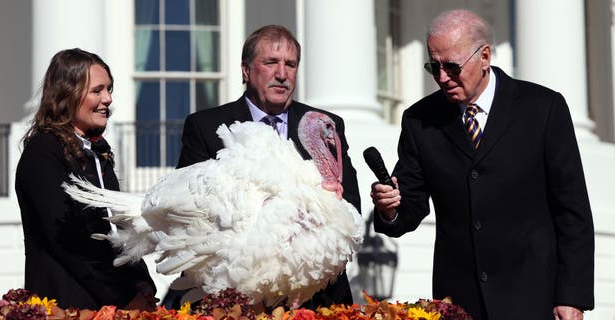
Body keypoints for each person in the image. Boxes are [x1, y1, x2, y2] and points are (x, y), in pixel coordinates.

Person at [370, 9, 594, 320]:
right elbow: (409, 205)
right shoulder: (420, 120)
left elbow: (573, 212)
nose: (442, 77)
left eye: (451, 66)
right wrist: (389, 206)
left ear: (485, 56)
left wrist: (572, 296)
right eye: (434, 67)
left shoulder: (543, 109)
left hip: (533, 299)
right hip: (459, 303)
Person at [163, 24, 361, 309]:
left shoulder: (321, 126)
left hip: (315, 301)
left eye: (290, 65)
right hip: (232, 299)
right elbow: (186, 214)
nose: (282, 74)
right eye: (270, 63)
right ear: (246, 71)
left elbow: (351, 204)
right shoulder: (206, 127)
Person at [16, 48, 157, 310]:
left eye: (109, 89)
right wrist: (123, 297)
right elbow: (69, 241)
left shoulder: (98, 151)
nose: (108, 99)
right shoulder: (44, 152)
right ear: (67, 94)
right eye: (97, 90)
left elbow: (119, 229)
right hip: (68, 305)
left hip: (115, 301)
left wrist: (142, 283)